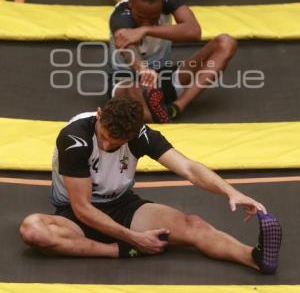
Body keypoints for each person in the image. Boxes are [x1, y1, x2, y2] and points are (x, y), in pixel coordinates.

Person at [19, 96, 282, 274]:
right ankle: (117, 251)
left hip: (120, 205)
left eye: (118, 143)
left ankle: (255, 258)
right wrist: (134, 240)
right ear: (99, 116)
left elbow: (189, 168)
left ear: (132, 134)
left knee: (195, 226)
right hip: (74, 215)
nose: (109, 146)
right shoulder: (74, 138)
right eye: (106, 138)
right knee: (33, 231)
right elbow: (83, 208)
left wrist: (230, 191)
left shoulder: (140, 135)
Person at [109, 0, 237, 123]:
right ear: (131, 3)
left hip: (165, 76)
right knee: (129, 93)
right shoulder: (120, 14)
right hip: (128, 79)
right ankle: (153, 115)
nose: (146, 21)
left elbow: (194, 32)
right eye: (140, 17)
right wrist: (142, 69)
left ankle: (176, 108)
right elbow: (126, 47)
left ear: (162, 4)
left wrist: (145, 29)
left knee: (226, 43)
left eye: (153, 18)